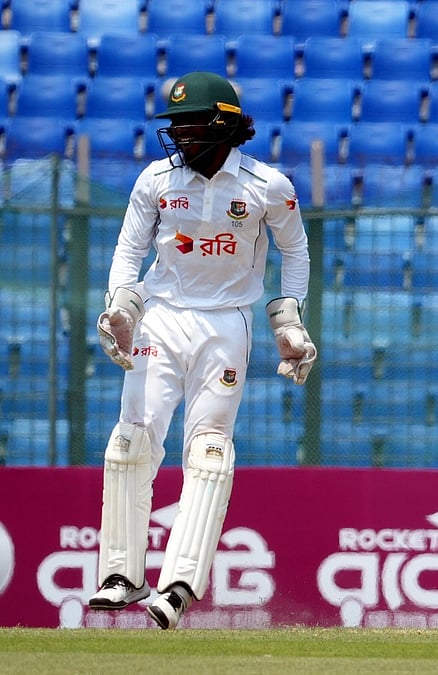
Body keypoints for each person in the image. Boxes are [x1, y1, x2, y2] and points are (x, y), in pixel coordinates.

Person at [87, 71, 317, 630]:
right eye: (175, 125)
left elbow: (296, 251)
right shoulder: (155, 180)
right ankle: (122, 573)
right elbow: (128, 250)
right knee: (129, 441)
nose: (179, 136)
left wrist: (288, 318)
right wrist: (121, 308)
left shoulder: (267, 186)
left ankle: (179, 583)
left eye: (190, 125)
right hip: (161, 319)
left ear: (223, 126)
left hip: (227, 325)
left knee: (209, 452)